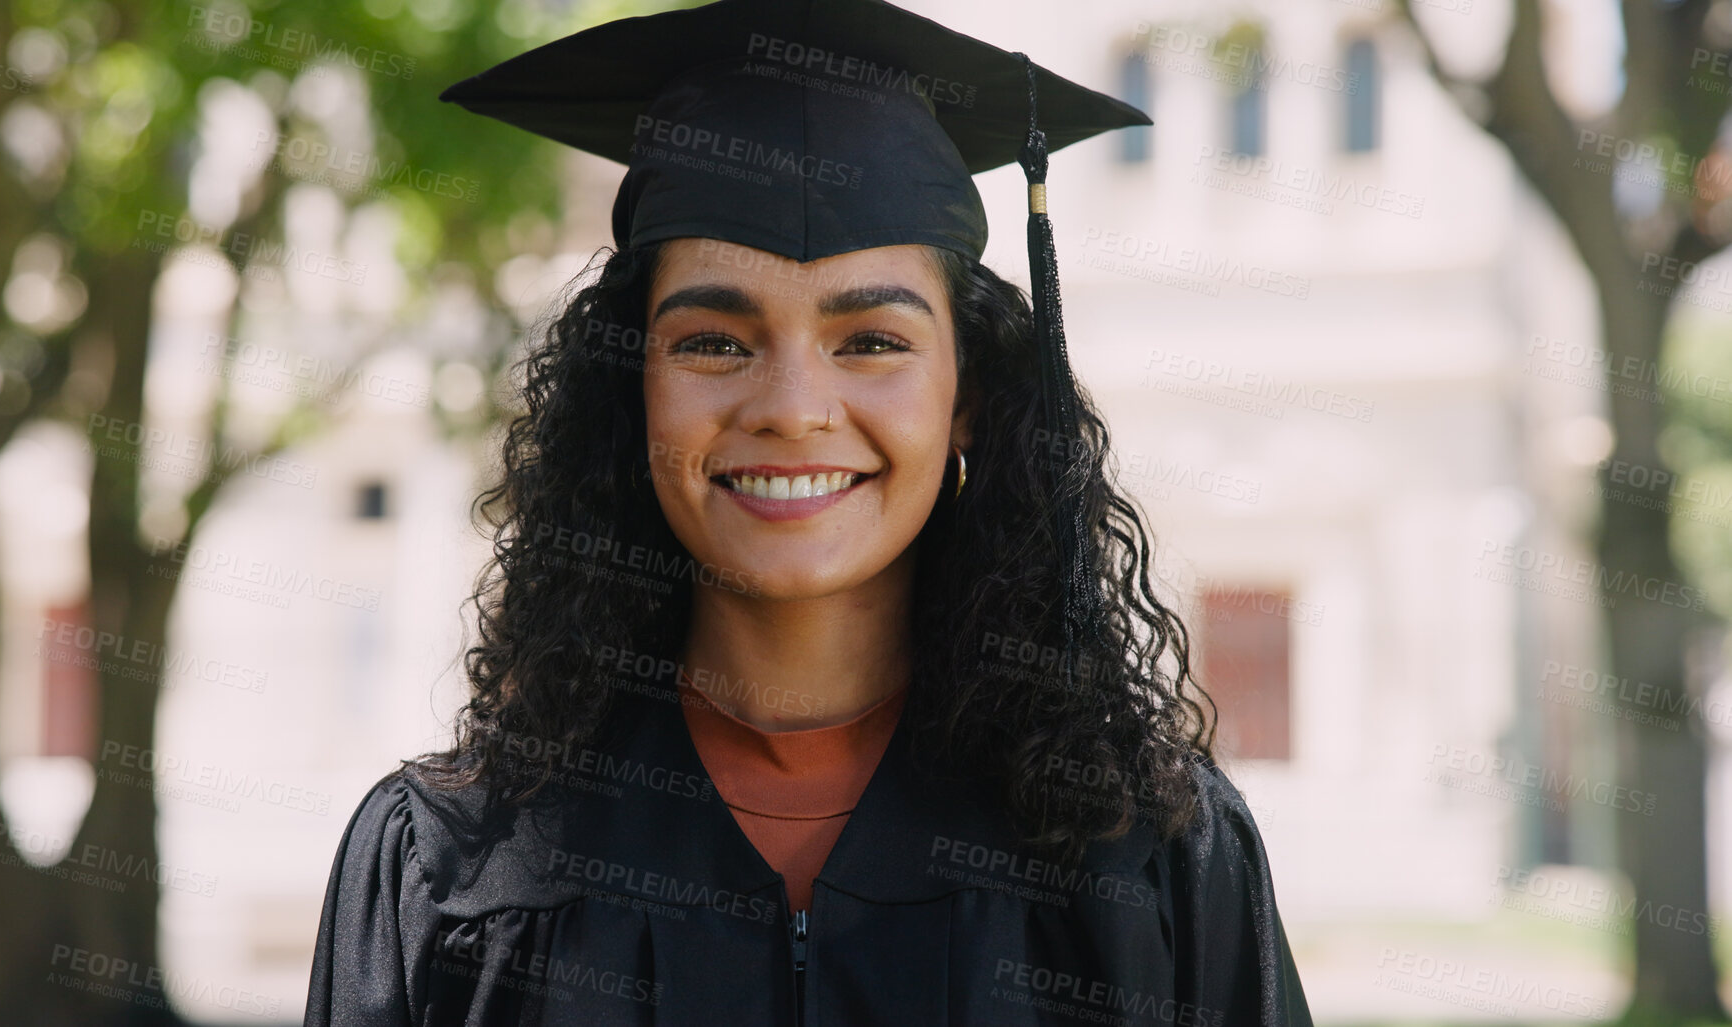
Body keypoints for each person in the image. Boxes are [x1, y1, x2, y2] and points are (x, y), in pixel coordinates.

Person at [303, 0, 1314, 1023]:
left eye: (872, 340)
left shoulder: (1148, 863)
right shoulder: (454, 868)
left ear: (968, 398)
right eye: (713, 342)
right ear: (632, 388)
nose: (792, 409)